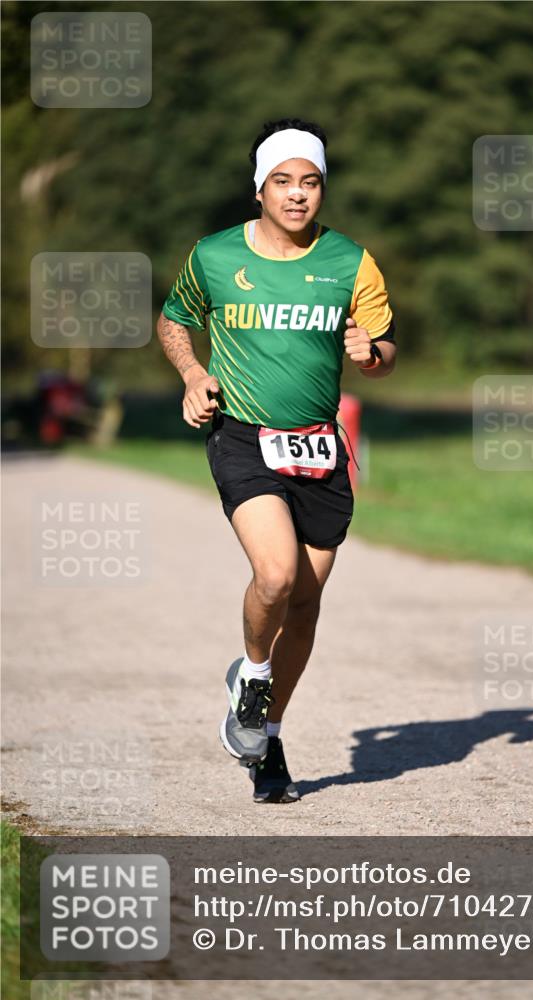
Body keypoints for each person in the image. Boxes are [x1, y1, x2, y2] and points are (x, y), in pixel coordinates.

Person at [157, 118, 396, 804]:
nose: (297, 195)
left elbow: (383, 349)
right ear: (259, 186)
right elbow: (174, 318)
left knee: (305, 604)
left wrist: (370, 357)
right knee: (275, 575)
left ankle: (267, 736)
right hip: (243, 438)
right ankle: (253, 678)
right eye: (283, 181)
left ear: (322, 189)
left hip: (320, 450)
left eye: (310, 182)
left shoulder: (351, 262)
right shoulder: (213, 256)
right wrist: (192, 374)